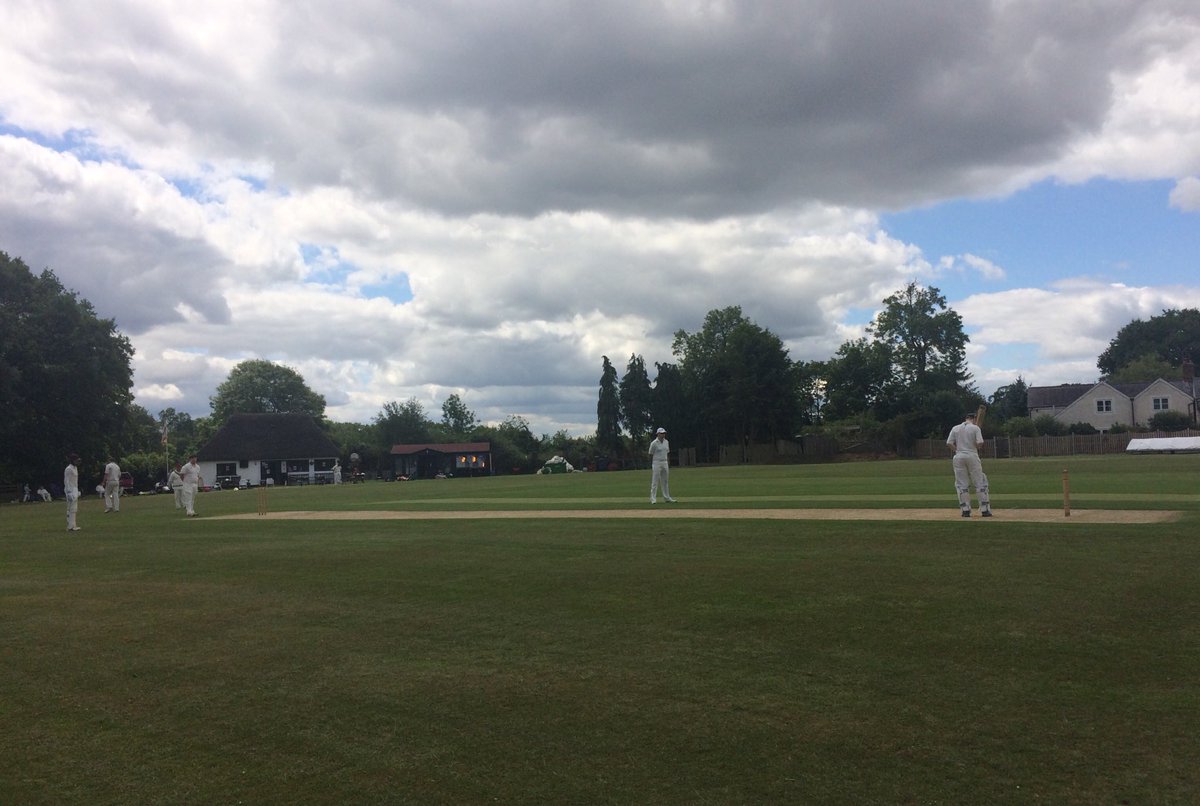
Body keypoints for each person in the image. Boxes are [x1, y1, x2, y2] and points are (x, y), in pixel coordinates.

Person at [946, 412, 992, 517]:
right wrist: (976, 446)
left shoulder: (955, 428)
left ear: (966, 418)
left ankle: (965, 510)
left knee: (961, 484)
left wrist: (957, 450)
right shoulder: (975, 428)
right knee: (980, 482)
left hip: (958, 457)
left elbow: (949, 443)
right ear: (974, 419)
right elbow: (980, 442)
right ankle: (984, 510)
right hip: (972, 455)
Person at [647, 427, 676, 504]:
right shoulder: (654, 443)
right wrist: (652, 464)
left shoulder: (666, 442)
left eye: (664, 433)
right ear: (658, 434)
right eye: (662, 433)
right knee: (655, 481)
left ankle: (667, 498)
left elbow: (667, 453)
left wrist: (668, 463)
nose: (663, 435)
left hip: (665, 462)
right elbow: (650, 454)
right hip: (656, 462)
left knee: (665, 481)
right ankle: (653, 499)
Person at [64, 453, 81, 531]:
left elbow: (75, 480)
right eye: (76, 461)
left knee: (74, 508)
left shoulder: (75, 468)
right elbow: (66, 481)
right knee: (70, 508)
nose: (78, 462)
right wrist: (68, 492)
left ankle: (73, 525)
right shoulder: (68, 469)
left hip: (74, 489)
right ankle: (70, 526)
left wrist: (77, 490)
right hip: (70, 489)